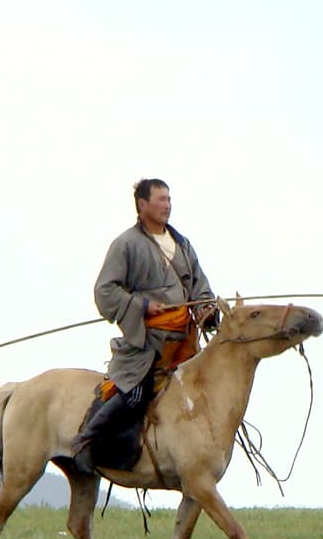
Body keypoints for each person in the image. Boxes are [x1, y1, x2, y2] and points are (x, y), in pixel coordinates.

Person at [66, 178, 219, 473]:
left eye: (169, 200)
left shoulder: (183, 245)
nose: (167, 206)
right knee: (136, 392)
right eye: (161, 200)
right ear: (142, 204)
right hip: (145, 344)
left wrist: (206, 311)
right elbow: (105, 291)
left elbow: (201, 290)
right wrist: (144, 306)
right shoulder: (126, 245)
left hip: (183, 345)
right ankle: (86, 439)